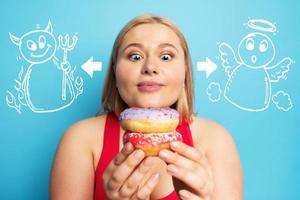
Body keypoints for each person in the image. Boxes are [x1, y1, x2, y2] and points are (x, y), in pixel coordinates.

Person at [50, 14, 243, 200]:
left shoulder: (215, 140)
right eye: (135, 56)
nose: (150, 66)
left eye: (166, 56)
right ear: (115, 73)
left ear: (185, 73)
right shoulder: (80, 139)